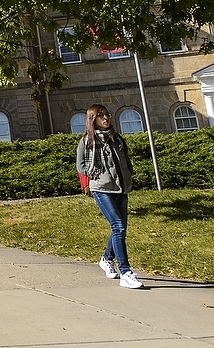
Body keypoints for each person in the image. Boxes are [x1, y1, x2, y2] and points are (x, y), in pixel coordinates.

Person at [76, 103, 143, 289]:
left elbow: (126, 162)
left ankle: (106, 259)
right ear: (93, 119)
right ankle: (126, 272)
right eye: (101, 116)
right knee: (118, 226)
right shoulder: (87, 141)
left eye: (107, 115)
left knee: (120, 228)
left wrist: (128, 175)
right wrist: (95, 174)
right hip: (101, 189)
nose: (106, 118)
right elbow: (80, 165)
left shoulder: (117, 139)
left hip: (121, 188)